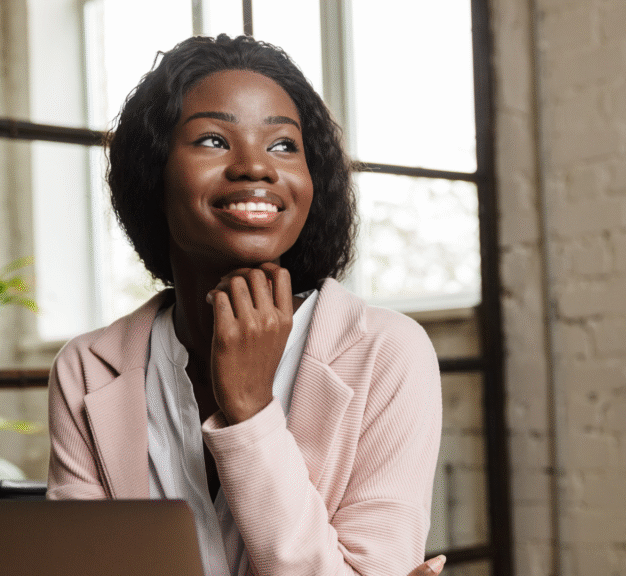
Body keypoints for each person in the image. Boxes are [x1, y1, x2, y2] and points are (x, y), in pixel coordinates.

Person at [48, 34, 444, 576]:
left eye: (283, 145)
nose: (256, 166)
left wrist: (251, 410)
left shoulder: (386, 352)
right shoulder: (88, 369)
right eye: (213, 140)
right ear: (153, 173)